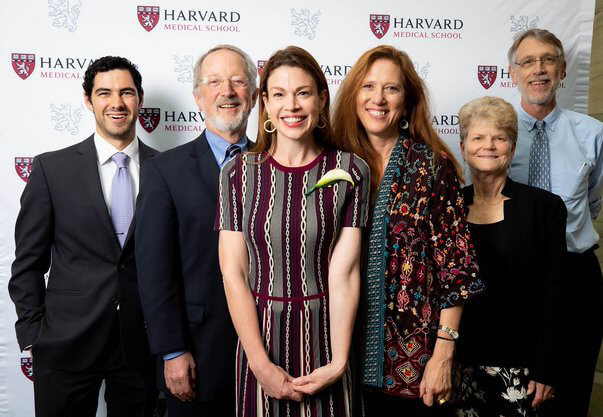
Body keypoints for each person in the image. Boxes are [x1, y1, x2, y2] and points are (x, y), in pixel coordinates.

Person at [216, 45, 370, 417]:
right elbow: (233, 273)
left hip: (327, 339)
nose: (292, 106)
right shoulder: (238, 174)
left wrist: (338, 361)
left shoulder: (351, 170)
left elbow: (345, 272)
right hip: (260, 340)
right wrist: (260, 365)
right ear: (265, 103)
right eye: (280, 94)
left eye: (302, 93)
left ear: (320, 99)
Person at [331, 45, 484, 415]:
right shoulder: (331, 162)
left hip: (413, 363)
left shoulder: (431, 166)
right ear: (353, 95)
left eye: (391, 89)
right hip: (335, 353)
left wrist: (444, 352)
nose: (378, 99)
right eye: (368, 87)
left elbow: (456, 267)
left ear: (407, 99)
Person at [8, 56, 158, 417]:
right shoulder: (51, 169)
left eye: (126, 92)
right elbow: (28, 261)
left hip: (141, 345)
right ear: (89, 101)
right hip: (65, 343)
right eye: (104, 93)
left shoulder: (166, 169)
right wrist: (33, 334)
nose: (117, 103)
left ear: (139, 99)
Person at [135, 44, 258, 416]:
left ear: (253, 96)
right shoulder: (164, 171)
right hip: (198, 354)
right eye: (215, 81)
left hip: (273, 350)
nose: (227, 91)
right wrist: (172, 351)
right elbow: (155, 270)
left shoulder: (277, 164)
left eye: (238, 81)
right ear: (198, 97)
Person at [507, 29, 603, 417]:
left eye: (548, 60)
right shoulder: (494, 134)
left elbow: (592, 201)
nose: (539, 70)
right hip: (516, 278)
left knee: (572, 394)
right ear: (512, 73)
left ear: (563, 70)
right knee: (515, 394)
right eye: (528, 61)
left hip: (577, 276)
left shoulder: (593, 133)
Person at [453, 96, 567, 416]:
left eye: (499, 138)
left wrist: (547, 367)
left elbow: (555, 292)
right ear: (463, 147)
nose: (488, 145)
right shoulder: (448, 208)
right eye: (478, 137)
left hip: (523, 369)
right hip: (459, 364)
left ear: (512, 148)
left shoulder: (545, 209)